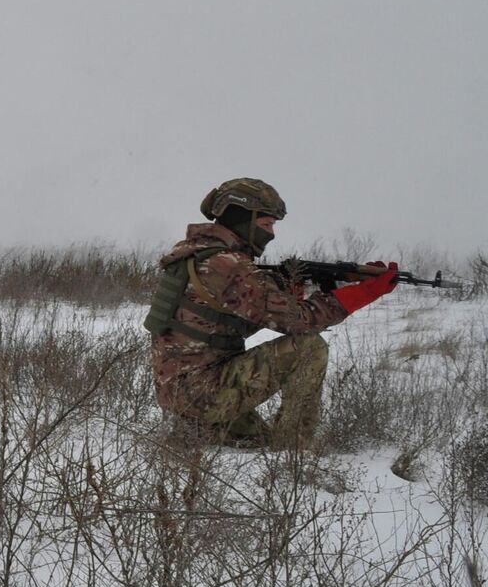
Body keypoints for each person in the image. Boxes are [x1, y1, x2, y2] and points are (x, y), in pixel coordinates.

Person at [147, 178, 399, 449]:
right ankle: (293, 450)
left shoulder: (195, 255)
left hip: (183, 391)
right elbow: (301, 323)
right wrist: (363, 292)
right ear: (243, 219)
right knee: (308, 348)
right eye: (266, 225)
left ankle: (198, 427)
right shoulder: (227, 265)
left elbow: (224, 324)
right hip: (204, 392)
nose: (272, 234)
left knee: (257, 442)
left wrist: (285, 293)